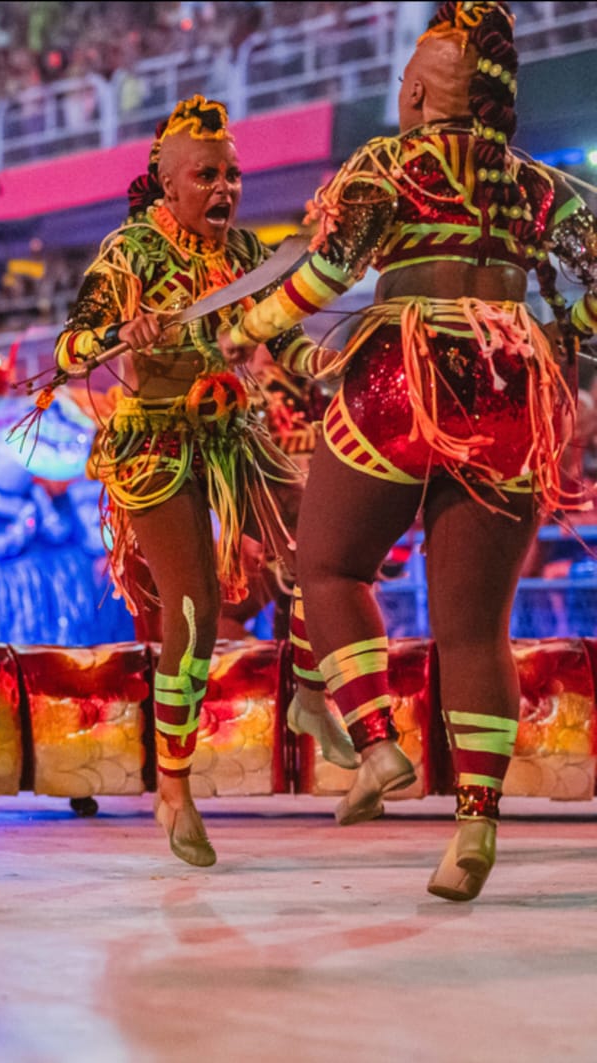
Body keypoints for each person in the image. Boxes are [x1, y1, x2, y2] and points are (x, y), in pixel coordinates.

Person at [222, 1, 595, 901]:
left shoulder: (390, 164)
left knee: (331, 566)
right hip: (510, 382)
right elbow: (586, 308)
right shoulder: (550, 190)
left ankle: (379, 742)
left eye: (406, 77)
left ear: (424, 91)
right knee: (477, 630)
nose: (400, 89)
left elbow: (323, 273)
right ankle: (475, 825)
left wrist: (250, 322)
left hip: (404, 374)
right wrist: (550, 356)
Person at [49, 95, 352, 867]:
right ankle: (174, 789)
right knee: (192, 615)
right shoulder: (129, 253)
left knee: (326, 546)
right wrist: (124, 332)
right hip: (156, 441)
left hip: (232, 430)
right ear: (167, 182)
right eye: (207, 175)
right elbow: (69, 348)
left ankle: (311, 695)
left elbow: (278, 338)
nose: (225, 189)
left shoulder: (249, 252)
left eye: (233, 175)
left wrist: (326, 363)